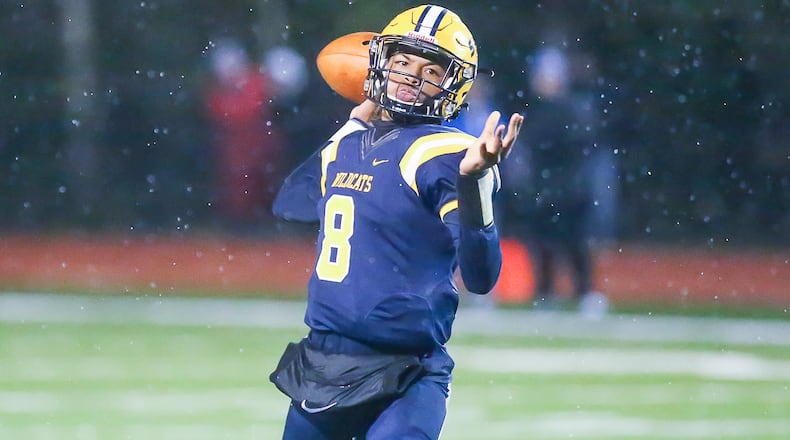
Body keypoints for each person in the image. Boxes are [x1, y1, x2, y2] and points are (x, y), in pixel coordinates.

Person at [269, 5, 523, 439]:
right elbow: (291, 204)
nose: (410, 76)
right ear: (380, 64)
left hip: (405, 371)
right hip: (322, 361)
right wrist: (353, 122)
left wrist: (473, 180)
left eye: (430, 70)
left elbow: (482, 276)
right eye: (402, 62)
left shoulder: (445, 152)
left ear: (453, 84)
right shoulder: (349, 141)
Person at [500, 46, 608, 318]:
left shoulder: (573, 110)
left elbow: (579, 149)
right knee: (542, 243)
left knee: (575, 242)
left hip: (568, 188)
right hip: (545, 187)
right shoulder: (536, 111)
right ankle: (545, 291)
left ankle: (585, 292)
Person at [204, 38, 284, 232]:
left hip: (256, 144)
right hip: (238, 147)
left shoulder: (253, 83)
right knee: (238, 186)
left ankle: (261, 222)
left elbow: (248, 110)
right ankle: (241, 223)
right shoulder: (220, 94)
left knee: (263, 182)